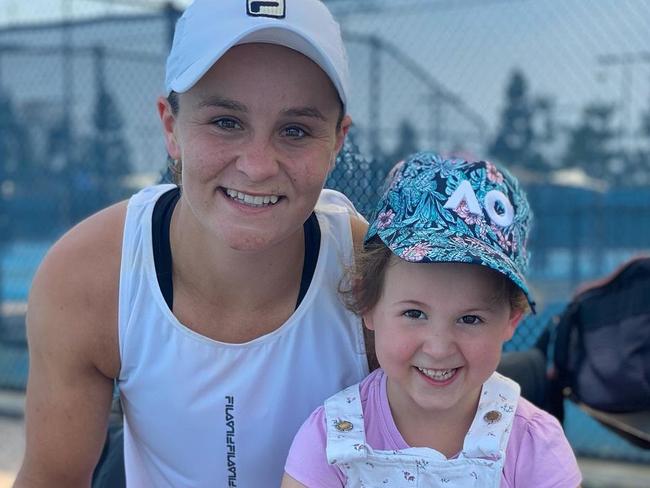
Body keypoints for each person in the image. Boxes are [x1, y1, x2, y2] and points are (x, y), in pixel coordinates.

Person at [15, 1, 371, 486]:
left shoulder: (374, 277)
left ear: (337, 141)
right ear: (170, 127)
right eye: (226, 121)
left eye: (295, 130)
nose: (258, 165)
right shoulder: (90, 277)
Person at [282, 153, 583, 487]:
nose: (439, 348)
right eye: (414, 313)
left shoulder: (533, 444)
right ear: (368, 302)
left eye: (470, 319)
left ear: (511, 320)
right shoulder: (331, 440)